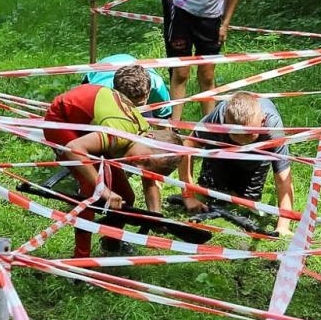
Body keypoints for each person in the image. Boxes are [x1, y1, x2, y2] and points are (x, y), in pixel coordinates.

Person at [42, 67, 180, 258]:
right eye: (145, 162)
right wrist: (105, 192)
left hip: (90, 121)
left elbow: (149, 180)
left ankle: (111, 243)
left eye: (146, 167)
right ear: (148, 137)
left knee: (125, 197)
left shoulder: (143, 136)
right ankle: (81, 259)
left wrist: (155, 216)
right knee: (90, 190)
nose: (138, 168)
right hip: (62, 118)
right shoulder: (119, 134)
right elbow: (75, 149)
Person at [178, 91, 294, 237]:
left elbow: (283, 179)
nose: (242, 141)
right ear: (225, 123)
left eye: (248, 136)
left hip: (257, 155)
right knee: (213, 191)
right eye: (237, 136)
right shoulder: (217, 119)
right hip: (222, 147)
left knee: (245, 201)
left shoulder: (272, 128)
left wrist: (283, 226)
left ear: (262, 121)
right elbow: (186, 147)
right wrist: (188, 195)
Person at [82, 54, 173, 119]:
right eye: (127, 103)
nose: (132, 109)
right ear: (116, 92)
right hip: (100, 70)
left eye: (139, 104)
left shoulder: (158, 87)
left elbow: (163, 121)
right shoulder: (99, 91)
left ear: (148, 93)